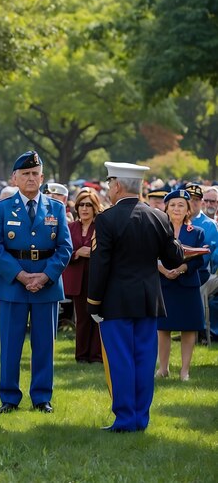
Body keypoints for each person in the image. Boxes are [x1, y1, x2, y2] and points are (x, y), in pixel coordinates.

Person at [88, 162, 184, 432]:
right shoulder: (159, 217)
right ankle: (140, 418)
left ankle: (125, 419)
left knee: (121, 360)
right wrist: (172, 233)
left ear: (117, 185)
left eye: (109, 183)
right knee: (143, 360)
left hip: (115, 302)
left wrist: (93, 302)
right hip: (148, 300)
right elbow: (173, 257)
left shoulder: (106, 219)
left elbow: (100, 265)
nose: (108, 187)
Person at [0, 151, 72, 414]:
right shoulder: (1, 209)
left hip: (46, 284)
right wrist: (21, 276)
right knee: (11, 343)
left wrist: (45, 275)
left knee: (44, 343)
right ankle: (9, 397)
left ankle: (42, 397)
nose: (31, 178)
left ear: (42, 177)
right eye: (25, 174)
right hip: (13, 284)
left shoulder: (56, 208)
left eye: (35, 174)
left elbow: (65, 247)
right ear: (14, 178)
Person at [155, 189, 209, 381]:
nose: (176, 209)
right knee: (163, 328)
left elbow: (200, 260)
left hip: (187, 285)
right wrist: (163, 270)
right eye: (173, 205)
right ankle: (163, 368)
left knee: (189, 327)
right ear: (166, 208)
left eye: (181, 205)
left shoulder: (197, 233)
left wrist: (181, 269)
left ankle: (185, 371)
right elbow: (150, 256)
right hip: (164, 284)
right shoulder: (158, 231)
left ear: (188, 210)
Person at [62, 188, 103, 363]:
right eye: (81, 205)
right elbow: (62, 252)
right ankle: (81, 355)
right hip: (77, 279)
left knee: (97, 317)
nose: (84, 208)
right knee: (82, 318)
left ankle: (96, 355)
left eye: (88, 205)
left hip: (97, 279)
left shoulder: (101, 227)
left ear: (95, 207)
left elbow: (109, 251)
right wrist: (77, 253)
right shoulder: (70, 227)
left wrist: (93, 253)